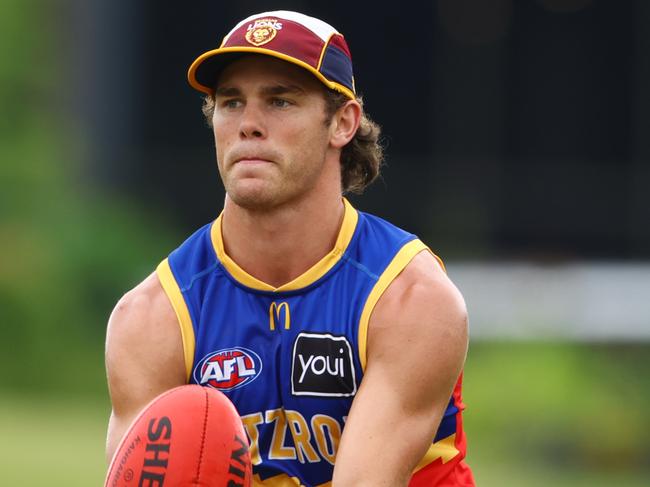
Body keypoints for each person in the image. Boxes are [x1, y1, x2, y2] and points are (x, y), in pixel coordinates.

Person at [105, 10, 475, 487]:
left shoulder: (411, 298)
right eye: (231, 102)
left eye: (280, 102)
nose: (249, 124)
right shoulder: (152, 316)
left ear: (343, 123)